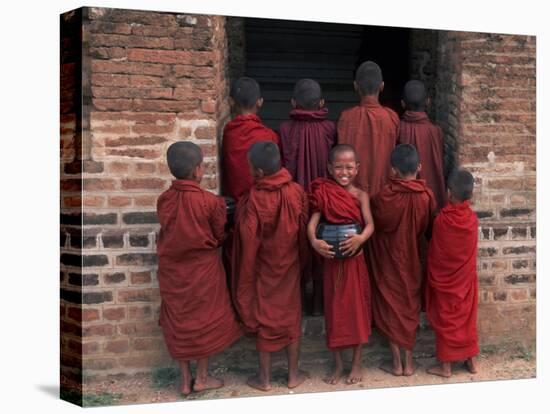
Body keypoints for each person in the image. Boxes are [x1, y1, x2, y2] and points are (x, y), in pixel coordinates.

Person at [156, 142, 242, 395]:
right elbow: (218, 235)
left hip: (172, 270)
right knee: (203, 321)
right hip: (203, 270)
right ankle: (202, 378)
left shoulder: (164, 200)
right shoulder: (210, 202)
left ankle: (184, 381)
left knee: (179, 321)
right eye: (202, 166)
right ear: (197, 171)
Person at [231, 141, 309, 391]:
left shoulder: (254, 199)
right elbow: (303, 231)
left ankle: (263, 379)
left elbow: (248, 239)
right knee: (291, 318)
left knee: (266, 318)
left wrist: (245, 270)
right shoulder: (296, 191)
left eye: (250, 168)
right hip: (290, 263)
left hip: (264, 267)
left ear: (259, 173)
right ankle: (293, 376)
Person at [308, 144, 375, 385]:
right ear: (329, 168)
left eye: (349, 167)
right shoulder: (324, 192)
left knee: (356, 312)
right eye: (338, 167)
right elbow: (312, 223)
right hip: (332, 263)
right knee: (335, 313)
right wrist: (314, 242)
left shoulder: (360, 195)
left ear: (357, 168)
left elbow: (370, 225)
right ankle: (337, 365)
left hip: (354, 262)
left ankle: (356, 363)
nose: (343, 172)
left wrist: (360, 239)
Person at [368, 144, 436, 376]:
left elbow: (373, 225)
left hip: (388, 258)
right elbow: (429, 229)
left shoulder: (383, 196)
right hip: (413, 258)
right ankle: (409, 362)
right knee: (409, 306)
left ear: (393, 170)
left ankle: (397, 363)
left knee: (390, 305)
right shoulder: (426, 197)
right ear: (419, 166)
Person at [279, 78, 336, 315]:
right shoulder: (330, 128)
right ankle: (320, 307)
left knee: (298, 250)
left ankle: (301, 306)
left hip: (295, 200)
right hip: (324, 200)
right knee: (324, 251)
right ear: (322, 102)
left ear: (293, 102)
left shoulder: (284, 129)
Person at [426, 169, 479, 378]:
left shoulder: (442, 220)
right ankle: (471, 361)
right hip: (465, 281)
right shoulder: (472, 220)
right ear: (471, 195)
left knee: (446, 317)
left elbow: (437, 253)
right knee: (466, 318)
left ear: (448, 193)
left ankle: (445, 367)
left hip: (445, 281)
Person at [337, 61, 399, 196]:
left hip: (351, 195)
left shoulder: (346, 117)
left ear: (355, 86)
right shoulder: (392, 118)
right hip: (383, 195)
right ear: (382, 86)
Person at [222, 77, 280, 201]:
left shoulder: (229, 132)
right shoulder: (269, 136)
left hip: (236, 202)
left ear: (231, 101)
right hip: (262, 200)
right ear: (260, 102)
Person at [398, 80, 446, 209]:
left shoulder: (397, 129)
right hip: (430, 197)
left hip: (402, 198)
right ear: (428, 102)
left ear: (402, 103)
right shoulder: (436, 132)